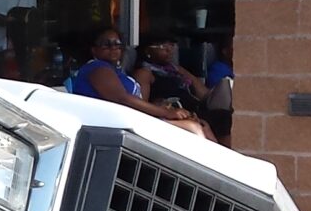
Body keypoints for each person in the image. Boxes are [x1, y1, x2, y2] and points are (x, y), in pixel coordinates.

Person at [70, 27, 212, 139]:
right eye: (106, 44)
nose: (113, 47)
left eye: (117, 43)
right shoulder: (97, 68)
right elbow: (122, 98)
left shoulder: (114, 70)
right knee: (193, 129)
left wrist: (158, 106)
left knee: (203, 126)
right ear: (93, 49)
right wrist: (167, 113)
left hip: (129, 121)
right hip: (112, 127)